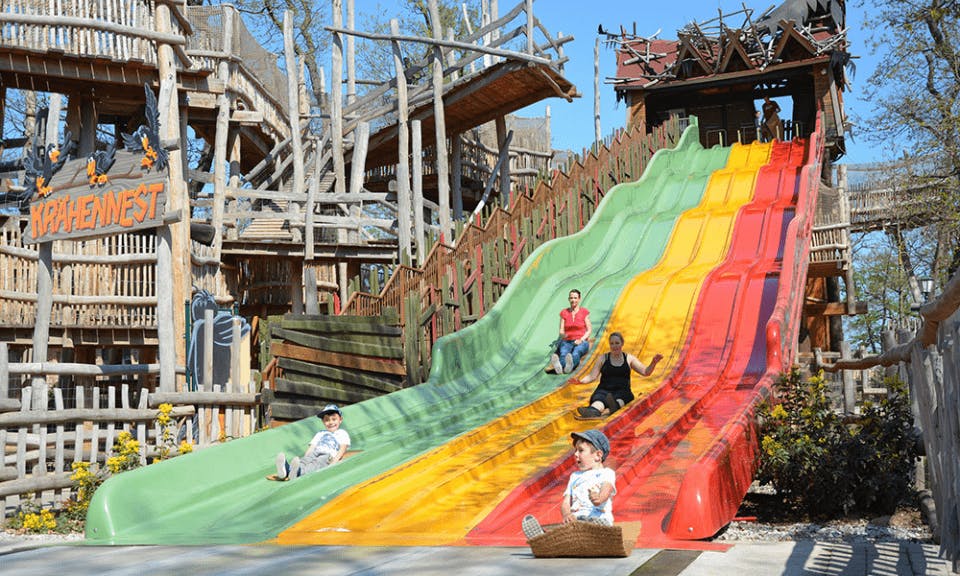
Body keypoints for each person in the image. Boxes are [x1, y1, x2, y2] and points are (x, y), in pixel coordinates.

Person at [521, 429, 616, 539]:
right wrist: (567, 515)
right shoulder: (575, 476)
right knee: (566, 528)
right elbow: (566, 502)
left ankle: (600, 531)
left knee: (588, 523)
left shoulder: (606, 473)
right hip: (577, 523)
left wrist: (598, 498)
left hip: (597, 520)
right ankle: (543, 537)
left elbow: (606, 489)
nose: (576, 454)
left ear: (598, 455)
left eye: (580, 450)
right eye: (575, 450)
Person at [576, 332, 663, 418]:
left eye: (617, 343)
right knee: (599, 400)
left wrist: (653, 363)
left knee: (621, 399)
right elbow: (592, 376)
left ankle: (614, 406)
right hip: (604, 390)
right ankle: (593, 411)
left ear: (622, 344)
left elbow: (645, 372)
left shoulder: (629, 358)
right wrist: (581, 381)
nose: (614, 346)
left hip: (622, 391)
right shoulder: (603, 358)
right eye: (612, 344)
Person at [274, 404, 351, 480]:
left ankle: (299, 472)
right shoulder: (320, 433)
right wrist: (306, 457)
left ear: (340, 420)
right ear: (323, 421)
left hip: (328, 456)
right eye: (327, 420)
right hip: (315, 452)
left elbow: (342, 448)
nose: (330, 422)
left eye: (334, 419)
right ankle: (287, 470)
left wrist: (334, 462)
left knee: (317, 463)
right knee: (304, 461)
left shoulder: (342, 433)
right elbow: (312, 447)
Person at [550, 289, 593, 374]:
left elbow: (589, 330)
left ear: (579, 299)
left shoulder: (584, 312)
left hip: (581, 340)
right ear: (569, 299)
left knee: (576, 352)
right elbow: (561, 330)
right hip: (567, 340)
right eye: (571, 298)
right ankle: (561, 366)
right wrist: (563, 336)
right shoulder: (564, 313)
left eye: (575, 298)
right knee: (564, 353)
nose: (573, 300)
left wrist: (581, 339)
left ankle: (570, 365)